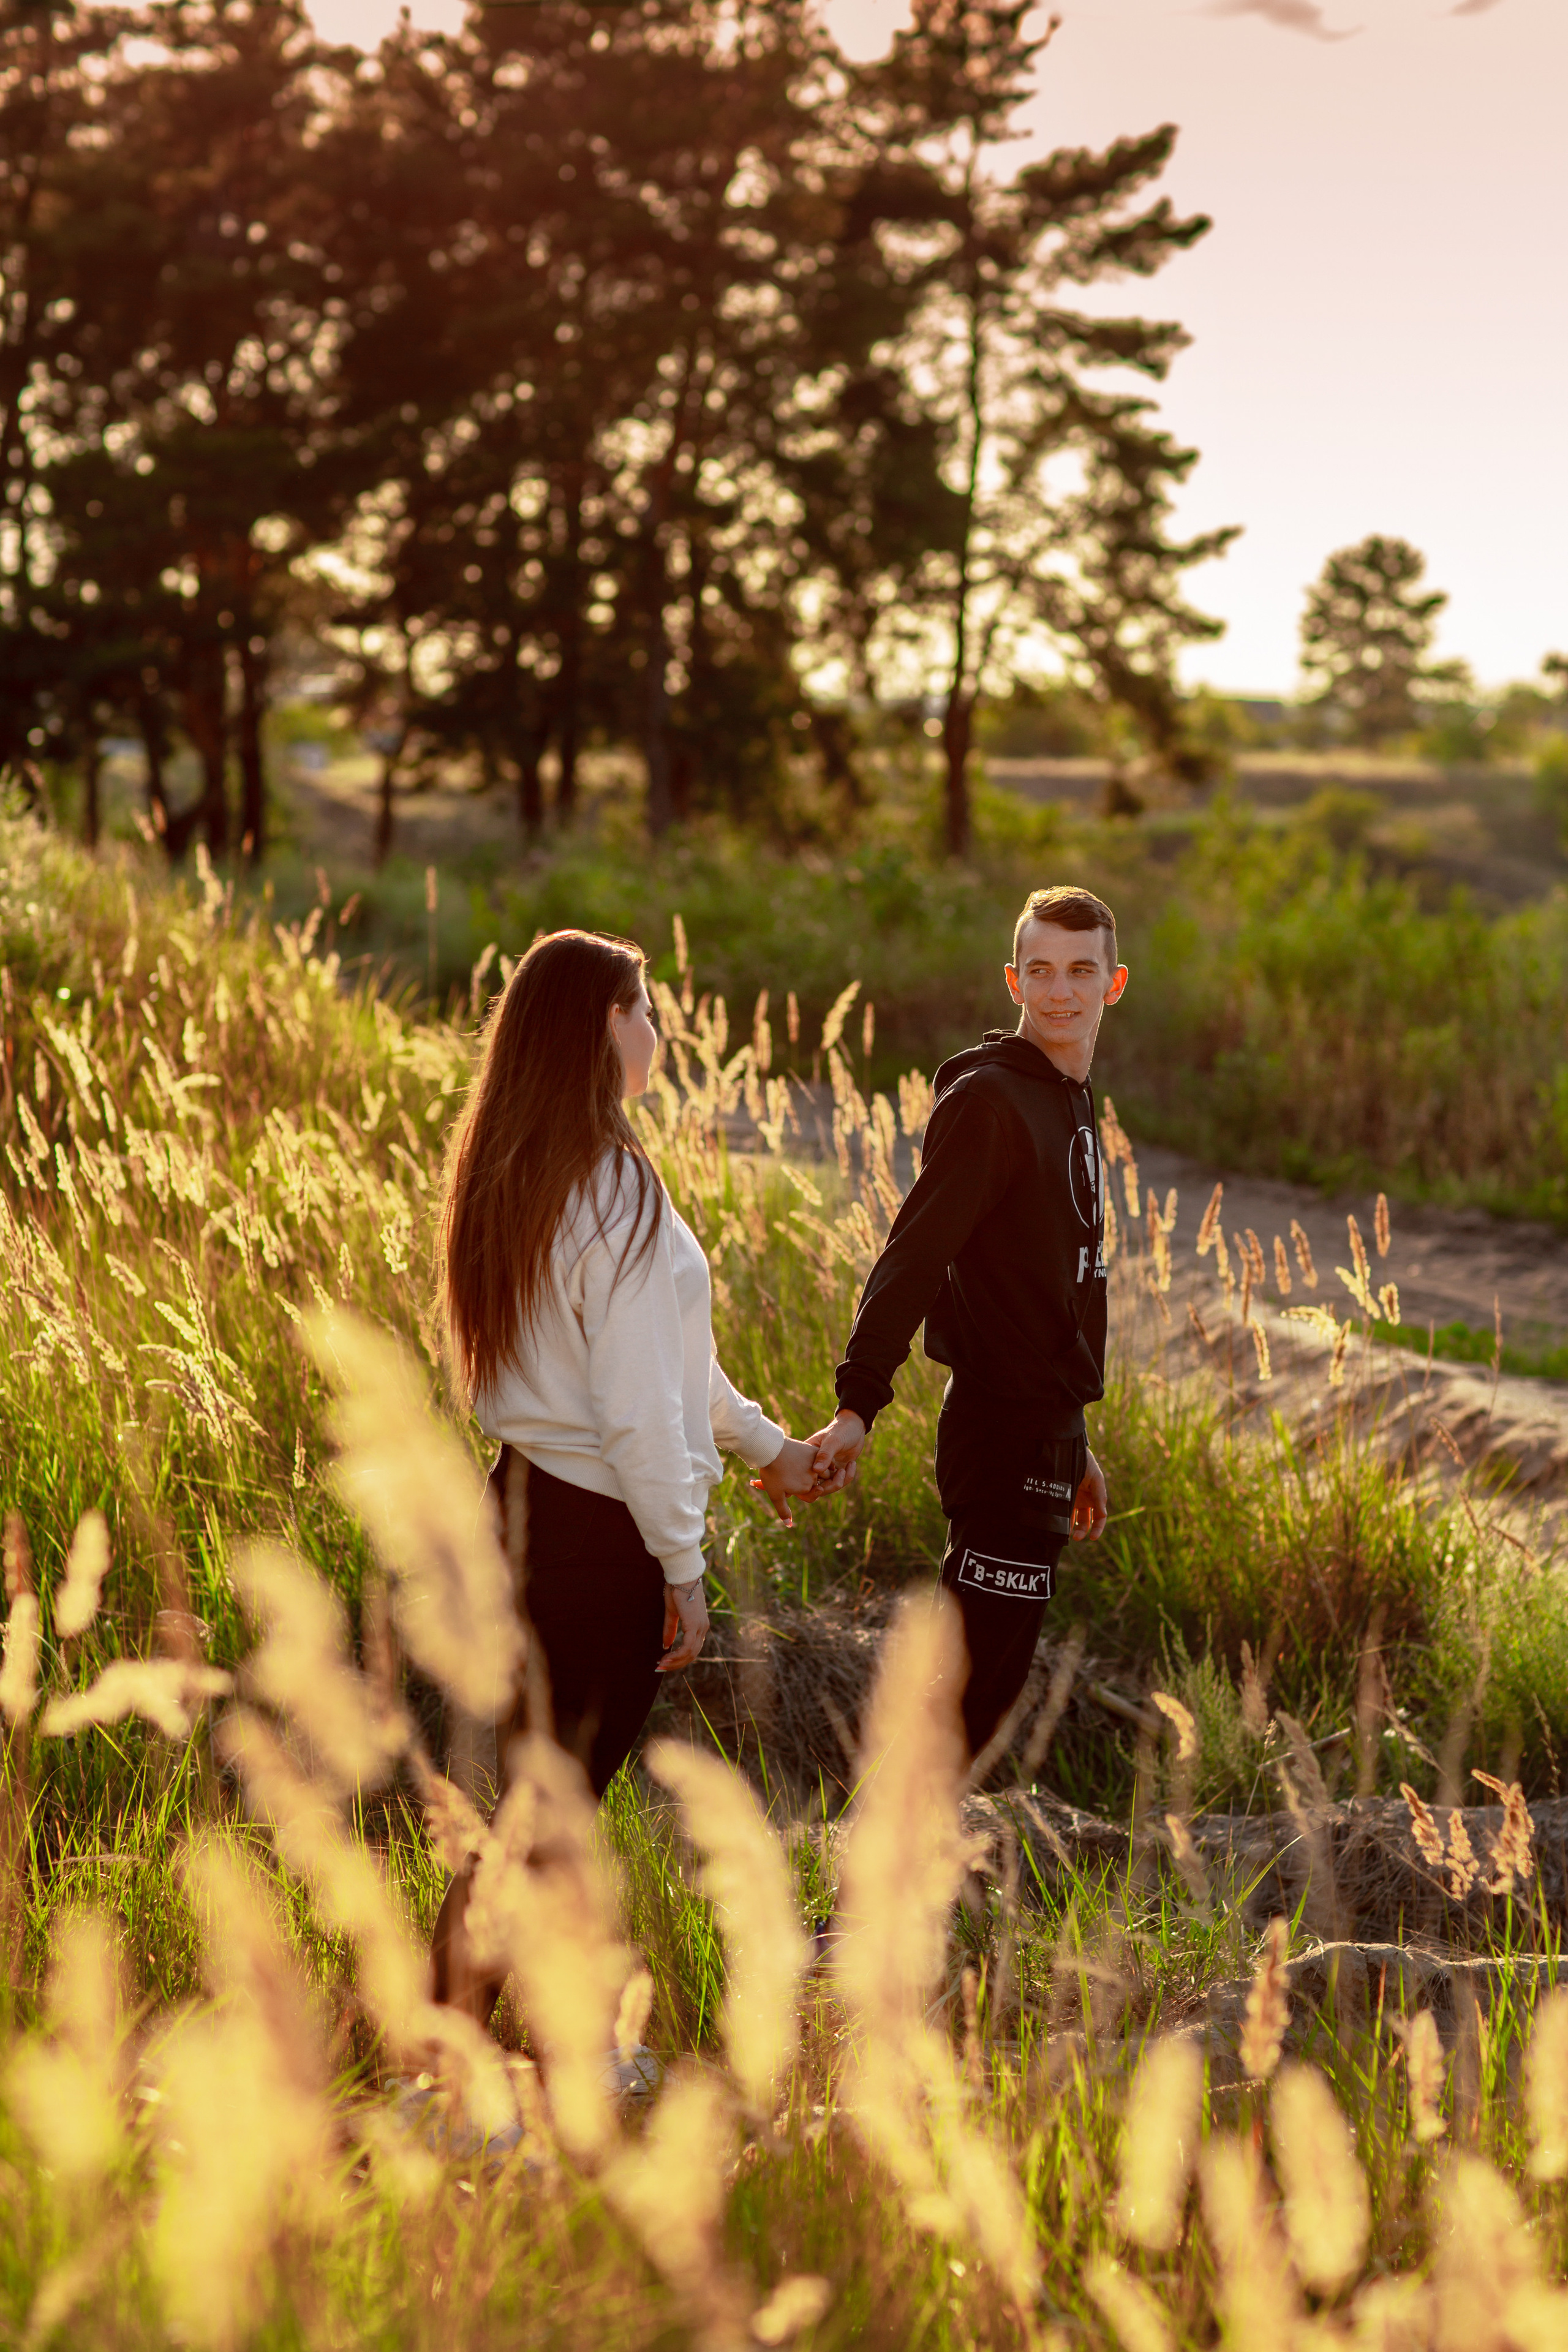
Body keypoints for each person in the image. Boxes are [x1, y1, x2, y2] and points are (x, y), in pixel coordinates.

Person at [431, 927, 826, 2016]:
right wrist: (682, 1568)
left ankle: (498, 2043)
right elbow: (640, 1411)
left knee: (534, 1807)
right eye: (645, 1010)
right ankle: (451, 2049)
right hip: (598, 1540)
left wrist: (770, 1449)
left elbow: (670, 1367)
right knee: (542, 1819)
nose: (658, 1031)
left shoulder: (516, 1172)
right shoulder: (618, 1191)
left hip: (518, 1507)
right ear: (603, 1026)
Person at [809, 886, 1126, 1766]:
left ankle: (902, 1850)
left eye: (1081, 971)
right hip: (997, 1434)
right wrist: (858, 1404)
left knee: (986, 1695)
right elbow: (914, 1257)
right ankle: (875, 1856)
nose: (1059, 992)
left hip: (1044, 1433)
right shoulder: (991, 1102)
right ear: (1012, 980)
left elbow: (1048, 1287)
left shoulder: (1068, 1095)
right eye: (1040, 971)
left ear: (1114, 983)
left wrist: (1073, 1435)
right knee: (965, 1702)